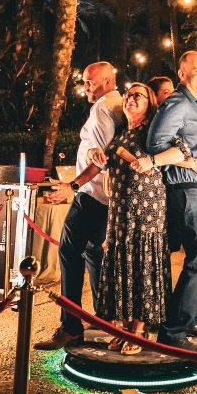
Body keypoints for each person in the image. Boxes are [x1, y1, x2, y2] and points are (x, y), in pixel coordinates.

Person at [36, 62, 126, 351]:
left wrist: (72, 186)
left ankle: (71, 327)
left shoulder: (102, 109)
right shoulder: (117, 104)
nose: (85, 86)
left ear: (107, 81)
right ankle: (104, 317)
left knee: (68, 252)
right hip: (107, 197)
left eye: (90, 82)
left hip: (91, 194)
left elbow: (100, 160)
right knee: (93, 252)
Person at [144, 51, 197, 351]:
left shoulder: (196, 106)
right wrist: (193, 163)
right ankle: (173, 333)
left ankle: (190, 318)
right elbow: (155, 145)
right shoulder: (177, 103)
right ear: (181, 74)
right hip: (188, 190)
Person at [86, 83, 170, 355]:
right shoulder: (121, 134)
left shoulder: (153, 131)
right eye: (128, 95)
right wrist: (92, 153)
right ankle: (123, 329)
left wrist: (152, 162)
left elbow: (180, 150)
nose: (130, 99)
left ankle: (139, 331)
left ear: (149, 103)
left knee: (141, 262)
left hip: (146, 208)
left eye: (138, 95)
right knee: (121, 263)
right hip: (120, 210)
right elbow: (102, 161)